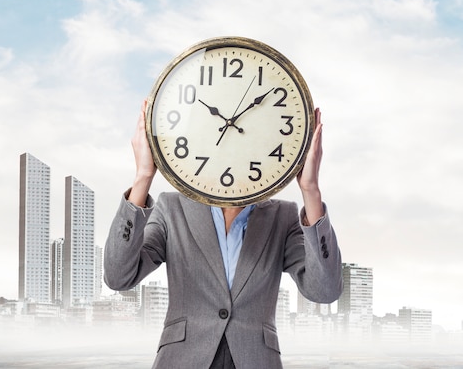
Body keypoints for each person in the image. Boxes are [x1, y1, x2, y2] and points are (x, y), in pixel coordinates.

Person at [103, 101, 343, 368]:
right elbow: (118, 277)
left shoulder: (282, 216)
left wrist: (311, 190)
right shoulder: (172, 208)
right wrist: (143, 176)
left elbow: (325, 290)